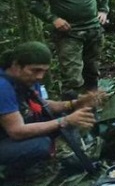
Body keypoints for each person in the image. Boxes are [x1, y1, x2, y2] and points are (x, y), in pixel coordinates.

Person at [0, 41, 103, 174]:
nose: (40, 76)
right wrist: (65, 121)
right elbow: (17, 131)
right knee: (42, 144)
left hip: (13, 129)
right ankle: (14, 174)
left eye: (44, 71)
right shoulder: (3, 87)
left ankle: (70, 153)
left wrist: (74, 103)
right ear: (16, 65)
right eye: (35, 70)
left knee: (63, 120)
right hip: (7, 136)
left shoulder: (25, 79)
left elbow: (43, 105)